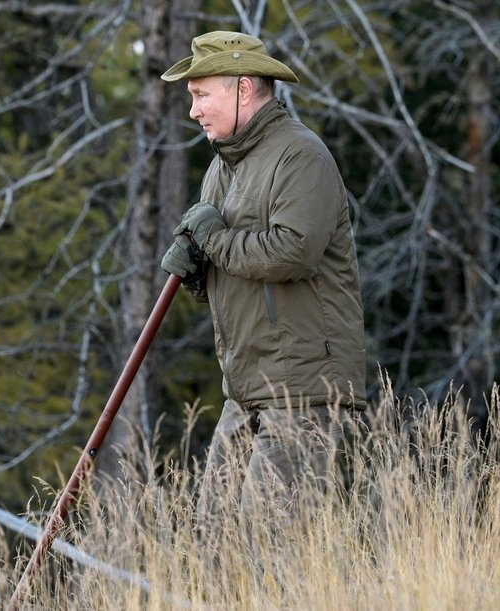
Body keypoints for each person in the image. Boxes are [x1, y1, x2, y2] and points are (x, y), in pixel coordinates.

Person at [159, 31, 367, 560]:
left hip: (301, 389)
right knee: (213, 546)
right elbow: (233, 277)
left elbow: (292, 254)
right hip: (245, 389)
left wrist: (214, 240)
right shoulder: (221, 168)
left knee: (267, 550)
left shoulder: (301, 156)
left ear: (244, 88)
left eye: (201, 94)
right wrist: (197, 272)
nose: (193, 111)